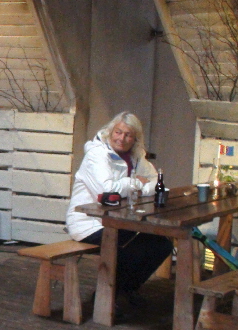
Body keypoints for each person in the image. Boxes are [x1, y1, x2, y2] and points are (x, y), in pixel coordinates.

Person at [65, 111, 173, 308]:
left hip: (120, 222)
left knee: (161, 245)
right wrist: (135, 183)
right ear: (110, 131)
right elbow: (106, 192)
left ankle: (125, 289)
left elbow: (157, 184)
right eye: (118, 132)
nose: (121, 138)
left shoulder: (136, 156)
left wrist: (135, 185)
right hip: (88, 222)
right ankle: (106, 296)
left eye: (128, 135)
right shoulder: (97, 154)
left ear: (135, 139)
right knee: (128, 248)